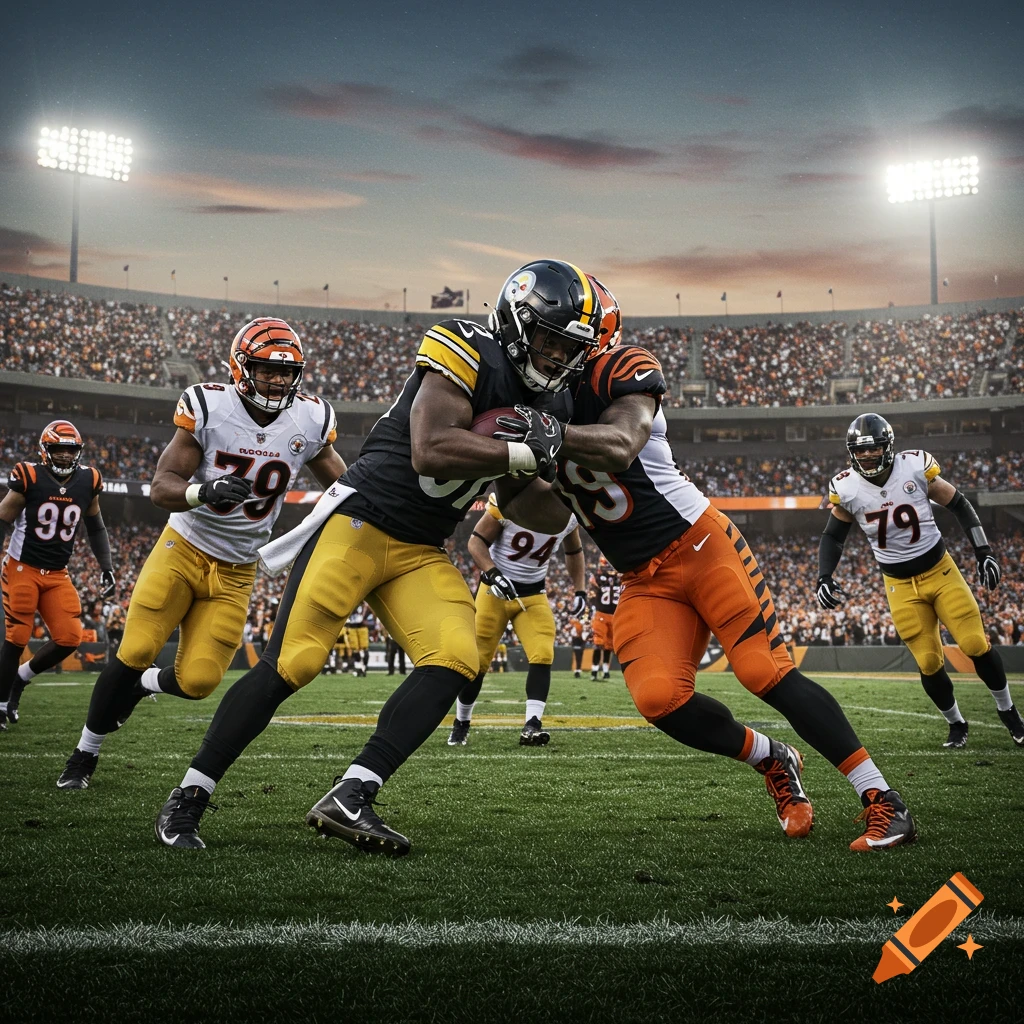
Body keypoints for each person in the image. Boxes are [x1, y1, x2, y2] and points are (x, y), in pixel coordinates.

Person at [151, 258, 600, 853]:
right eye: (548, 339)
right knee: (294, 663)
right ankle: (188, 796)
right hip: (360, 522)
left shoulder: (558, 406)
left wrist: (564, 480)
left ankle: (353, 793)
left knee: (459, 657)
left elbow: (523, 505)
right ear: (518, 322)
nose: (556, 357)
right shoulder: (467, 345)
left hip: (420, 547)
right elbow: (431, 448)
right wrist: (523, 453)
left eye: (569, 348)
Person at [498, 274, 916, 852]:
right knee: (657, 698)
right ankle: (773, 759)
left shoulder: (621, 369)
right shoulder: (528, 406)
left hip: (700, 546)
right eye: (538, 338)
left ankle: (883, 799)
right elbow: (544, 514)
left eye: (557, 341)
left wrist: (548, 435)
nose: (545, 352)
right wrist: (507, 471)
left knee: (762, 671)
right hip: (642, 576)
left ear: (592, 339)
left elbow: (620, 444)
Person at [56, 317, 345, 787]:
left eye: (287, 372)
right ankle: (84, 753)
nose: (277, 380)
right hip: (183, 548)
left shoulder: (309, 420)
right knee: (136, 649)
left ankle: (143, 687)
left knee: (199, 682)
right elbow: (160, 487)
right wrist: (202, 492)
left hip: (238, 569)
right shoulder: (211, 406)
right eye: (266, 369)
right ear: (239, 366)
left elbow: (341, 485)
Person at [817, 413, 1023, 749]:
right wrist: (824, 575)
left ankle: (1008, 711)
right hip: (899, 585)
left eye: (875, 449)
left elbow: (959, 504)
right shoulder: (846, 486)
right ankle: (957, 723)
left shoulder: (914, 466)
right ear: (851, 451)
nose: (868, 456)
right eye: (861, 450)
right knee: (928, 662)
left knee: (974, 644)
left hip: (941, 571)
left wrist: (983, 550)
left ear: (889, 446)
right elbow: (832, 536)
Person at [0, 420, 115, 729]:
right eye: (58, 450)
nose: (65, 456)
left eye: (70, 450)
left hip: (57, 573)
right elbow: (3, 518)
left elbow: (96, 526)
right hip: (22, 567)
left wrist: (106, 566)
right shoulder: (30, 476)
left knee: (69, 637)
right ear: (45, 450)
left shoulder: (89, 480)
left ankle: (19, 681)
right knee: (17, 637)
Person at [447, 493, 585, 747]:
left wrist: (580, 589)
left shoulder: (569, 513)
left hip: (533, 595)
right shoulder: (510, 502)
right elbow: (476, 542)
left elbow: (574, 550)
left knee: (543, 653)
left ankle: (532, 725)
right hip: (495, 591)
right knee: (477, 663)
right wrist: (493, 574)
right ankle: (461, 722)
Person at [589, 556, 620, 680]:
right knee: (598, 643)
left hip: (614, 616)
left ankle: (606, 671)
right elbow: (592, 582)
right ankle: (594, 670)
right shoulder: (598, 578)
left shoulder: (621, 578)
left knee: (609, 645)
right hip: (601, 614)